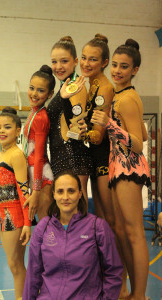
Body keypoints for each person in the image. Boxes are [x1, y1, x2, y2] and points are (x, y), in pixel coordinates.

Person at [92, 39, 151, 300]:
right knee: (123, 232)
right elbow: (145, 133)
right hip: (118, 167)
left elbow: (138, 145)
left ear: (135, 70)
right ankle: (127, 291)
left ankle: (139, 295)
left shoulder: (127, 98)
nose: (116, 70)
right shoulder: (123, 96)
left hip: (129, 167)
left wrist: (110, 125)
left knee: (134, 233)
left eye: (123, 67)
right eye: (114, 65)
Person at [23, 170, 123, 300]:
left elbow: (113, 272)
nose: (65, 197)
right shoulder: (43, 228)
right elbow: (33, 274)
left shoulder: (97, 227)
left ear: (80, 193)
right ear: (53, 195)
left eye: (71, 191)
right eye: (60, 191)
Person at [47, 36, 92, 203]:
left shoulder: (76, 86)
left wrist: (70, 137)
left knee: (77, 213)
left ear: (75, 61)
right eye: (54, 62)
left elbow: (78, 129)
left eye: (64, 61)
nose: (58, 67)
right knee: (67, 214)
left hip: (72, 157)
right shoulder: (65, 87)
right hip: (61, 157)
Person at [0, 107, 31, 300]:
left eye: (7, 127)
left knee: (15, 263)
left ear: (18, 131)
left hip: (14, 214)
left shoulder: (16, 155)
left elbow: (24, 191)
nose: (1, 131)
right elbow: (0, 192)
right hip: (3, 214)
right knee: (14, 263)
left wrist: (27, 222)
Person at [79, 34, 114, 223]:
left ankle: (114, 253)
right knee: (100, 216)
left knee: (107, 216)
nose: (86, 63)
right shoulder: (91, 84)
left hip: (104, 157)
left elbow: (98, 136)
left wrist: (78, 133)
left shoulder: (105, 88)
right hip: (94, 155)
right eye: (84, 57)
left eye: (92, 59)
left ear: (104, 62)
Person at [23, 65, 56, 221]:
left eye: (40, 90)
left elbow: (39, 156)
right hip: (35, 173)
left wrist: (35, 191)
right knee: (43, 227)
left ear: (50, 94)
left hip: (41, 175)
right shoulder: (33, 112)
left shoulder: (41, 117)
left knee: (46, 225)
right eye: (31, 88)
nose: (34, 94)